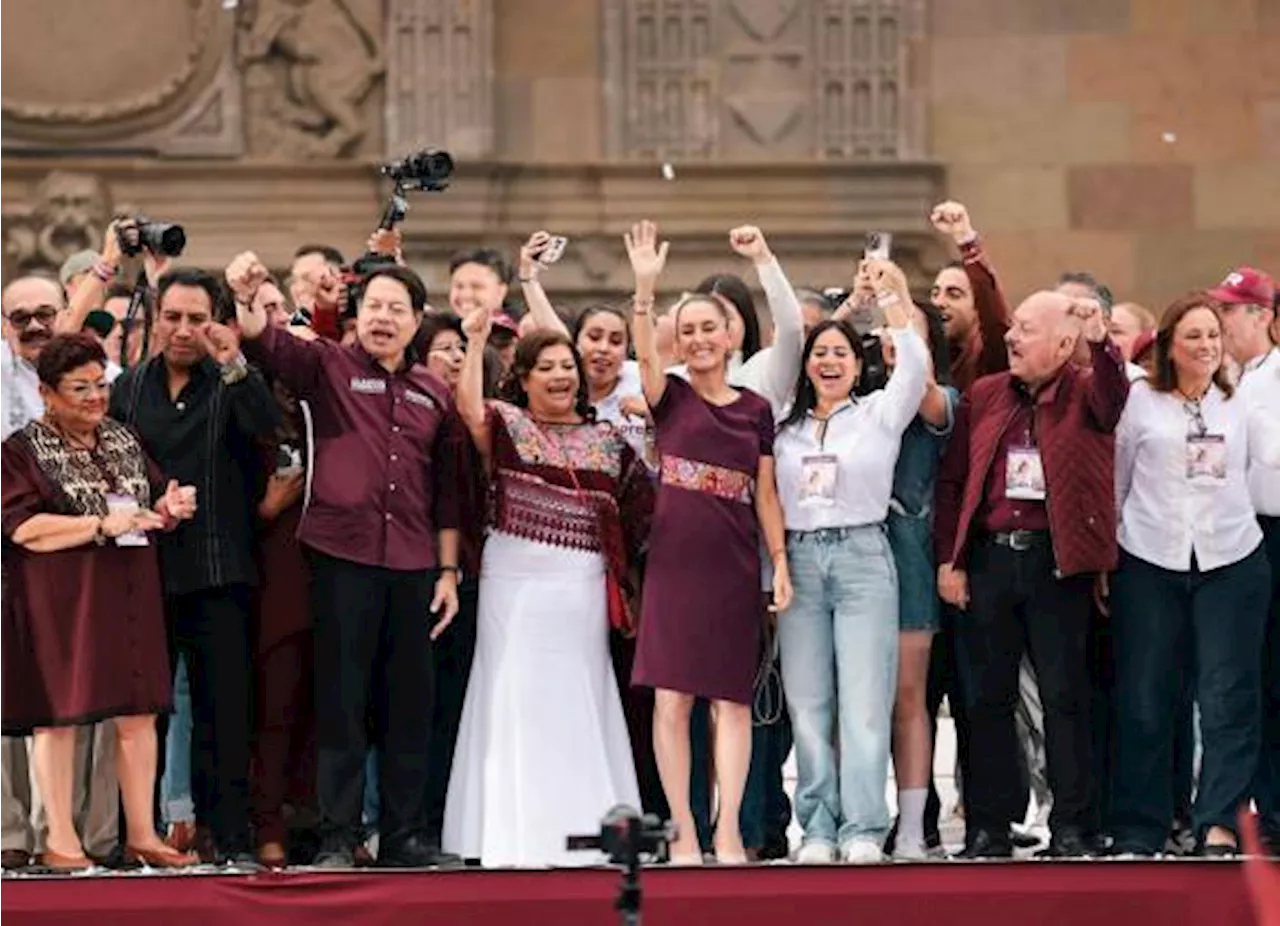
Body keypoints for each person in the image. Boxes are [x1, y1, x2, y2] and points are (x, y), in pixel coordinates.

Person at [225, 252, 464, 868]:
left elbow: (447, 492)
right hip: (340, 558)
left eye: (398, 309)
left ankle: (405, 836)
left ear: (418, 321)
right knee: (343, 699)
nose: (384, 318)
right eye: (375, 306)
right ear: (358, 314)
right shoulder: (327, 366)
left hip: (414, 565)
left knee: (410, 702)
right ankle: (338, 835)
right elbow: (264, 341)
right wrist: (248, 296)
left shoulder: (434, 393)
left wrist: (447, 572)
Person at [444, 313, 653, 867]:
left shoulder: (608, 442)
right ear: (525, 378)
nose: (561, 375)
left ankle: (587, 830)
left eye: (568, 367)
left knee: (580, 699)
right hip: (514, 584)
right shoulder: (506, 423)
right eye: (548, 367)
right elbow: (468, 409)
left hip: (581, 588)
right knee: (514, 697)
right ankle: (514, 834)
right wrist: (476, 341)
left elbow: (646, 509)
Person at [934, 290, 1128, 859]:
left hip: (1058, 563)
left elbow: (1114, 398)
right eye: (1013, 326)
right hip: (991, 558)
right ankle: (989, 826)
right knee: (985, 699)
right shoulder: (987, 393)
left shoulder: (1087, 391)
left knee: (1066, 696)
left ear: (1064, 345)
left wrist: (1101, 340)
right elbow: (953, 483)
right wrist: (952, 559)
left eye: (1025, 329)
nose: (1012, 338)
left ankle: (1073, 826)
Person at [0, 333, 200, 871]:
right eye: (79, 388)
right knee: (57, 717)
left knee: (138, 713)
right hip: (61, 599)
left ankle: (142, 834)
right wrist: (98, 525)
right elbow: (24, 528)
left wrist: (170, 505)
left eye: (99, 386)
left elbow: (149, 497)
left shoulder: (121, 437)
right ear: (46, 392)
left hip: (131, 592)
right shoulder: (21, 449)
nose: (94, 398)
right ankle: (60, 839)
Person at [627, 220, 792, 865]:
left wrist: (779, 562)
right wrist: (645, 291)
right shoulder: (665, 396)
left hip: (731, 567)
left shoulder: (756, 408)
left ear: (731, 336)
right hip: (672, 565)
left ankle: (728, 832)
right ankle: (686, 834)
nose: (697, 338)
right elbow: (643, 354)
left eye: (709, 328)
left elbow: (767, 496)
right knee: (672, 701)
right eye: (687, 329)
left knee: (732, 702)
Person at [109, 267, 280, 865]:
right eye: (173, 317)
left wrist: (234, 362)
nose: (183, 331)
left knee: (224, 711)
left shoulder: (232, 380)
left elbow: (270, 430)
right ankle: (140, 833)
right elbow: (112, 470)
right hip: (143, 571)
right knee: (143, 713)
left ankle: (226, 837)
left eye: (196, 318)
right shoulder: (128, 388)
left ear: (217, 321)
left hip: (221, 569)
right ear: (156, 318)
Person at [1110, 293, 1280, 857]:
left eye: (1214, 335)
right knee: (1146, 694)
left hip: (1231, 560)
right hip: (1150, 556)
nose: (1207, 346)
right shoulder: (1140, 402)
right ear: (1169, 346)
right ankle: (1142, 825)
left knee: (1228, 696)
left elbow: (1268, 462)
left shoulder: (1243, 400)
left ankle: (1219, 822)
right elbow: (1120, 477)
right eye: (1194, 337)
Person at [773, 260, 928, 864]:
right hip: (801, 562)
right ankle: (816, 826)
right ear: (807, 366)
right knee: (809, 703)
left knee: (865, 701)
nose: (829, 362)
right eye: (820, 354)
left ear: (858, 364)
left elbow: (913, 369)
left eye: (840, 353)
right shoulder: (784, 427)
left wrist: (890, 296)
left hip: (864, 557)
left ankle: (863, 826)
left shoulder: (878, 416)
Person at [1211, 268, 1280, 853]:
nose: (1222, 323)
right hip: (1236, 533)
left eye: (1231, 312)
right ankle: (1260, 805)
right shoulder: (1227, 378)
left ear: (1260, 316)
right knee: (1245, 676)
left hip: (1274, 524)